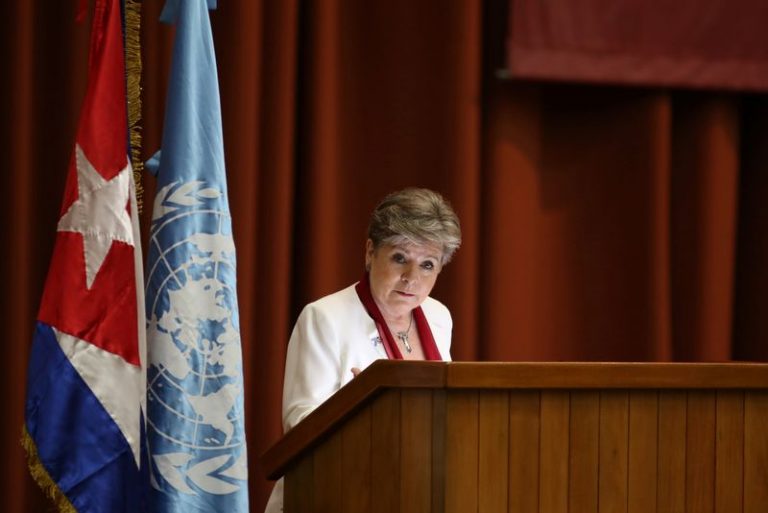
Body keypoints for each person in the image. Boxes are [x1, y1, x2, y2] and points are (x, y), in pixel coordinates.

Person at [264, 187, 461, 513]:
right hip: (330, 497)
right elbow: (298, 426)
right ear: (370, 252)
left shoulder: (439, 317)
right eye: (400, 258)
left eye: (427, 264)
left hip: (410, 494)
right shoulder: (325, 318)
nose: (412, 278)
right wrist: (354, 410)